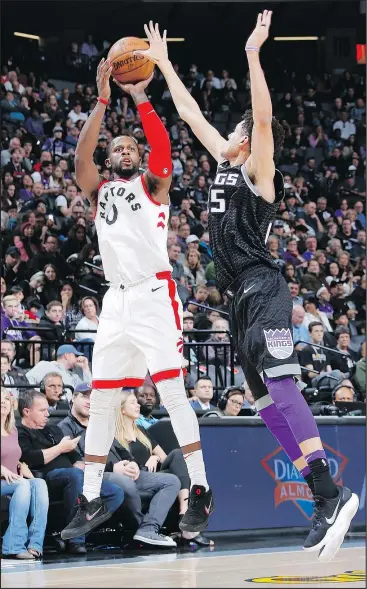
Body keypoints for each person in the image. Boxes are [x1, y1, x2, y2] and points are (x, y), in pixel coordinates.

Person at [141, 15, 359, 561]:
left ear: (245, 137)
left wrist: (253, 56)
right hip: (238, 297)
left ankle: (331, 493)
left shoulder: (260, 170)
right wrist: (165, 64)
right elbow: (189, 112)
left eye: (237, 131)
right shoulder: (222, 159)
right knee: (264, 407)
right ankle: (324, 495)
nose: (233, 135)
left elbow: (263, 121)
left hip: (264, 288)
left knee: (284, 391)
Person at [61, 54, 212, 542]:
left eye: (132, 147)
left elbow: (163, 150)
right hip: (116, 301)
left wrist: (142, 97)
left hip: (152, 293)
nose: (126, 150)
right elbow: (80, 159)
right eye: (119, 147)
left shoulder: (153, 185)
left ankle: (201, 489)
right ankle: (88, 497)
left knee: (170, 391)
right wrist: (103, 98)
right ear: (111, 160)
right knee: (102, 396)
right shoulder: (100, 189)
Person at [17, 390, 124, 555]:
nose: (47, 414)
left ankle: (71, 535)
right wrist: (60, 448)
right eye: (42, 410)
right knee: (74, 475)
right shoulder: (20, 432)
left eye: (47, 409)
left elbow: (76, 460)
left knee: (115, 492)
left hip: (75, 476)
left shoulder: (53, 430)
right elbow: (32, 459)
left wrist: (89, 469)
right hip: (45, 480)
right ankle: (76, 540)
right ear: (26, 411)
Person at [1, 388, 49, 559]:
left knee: (39, 484)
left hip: (13, 479)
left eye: (6, 399)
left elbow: (13, 456)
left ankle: (35, 544)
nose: (3, 402)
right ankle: (13, 545)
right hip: (5, 480)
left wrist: (21, 466)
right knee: (22, 485)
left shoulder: (13, 430)